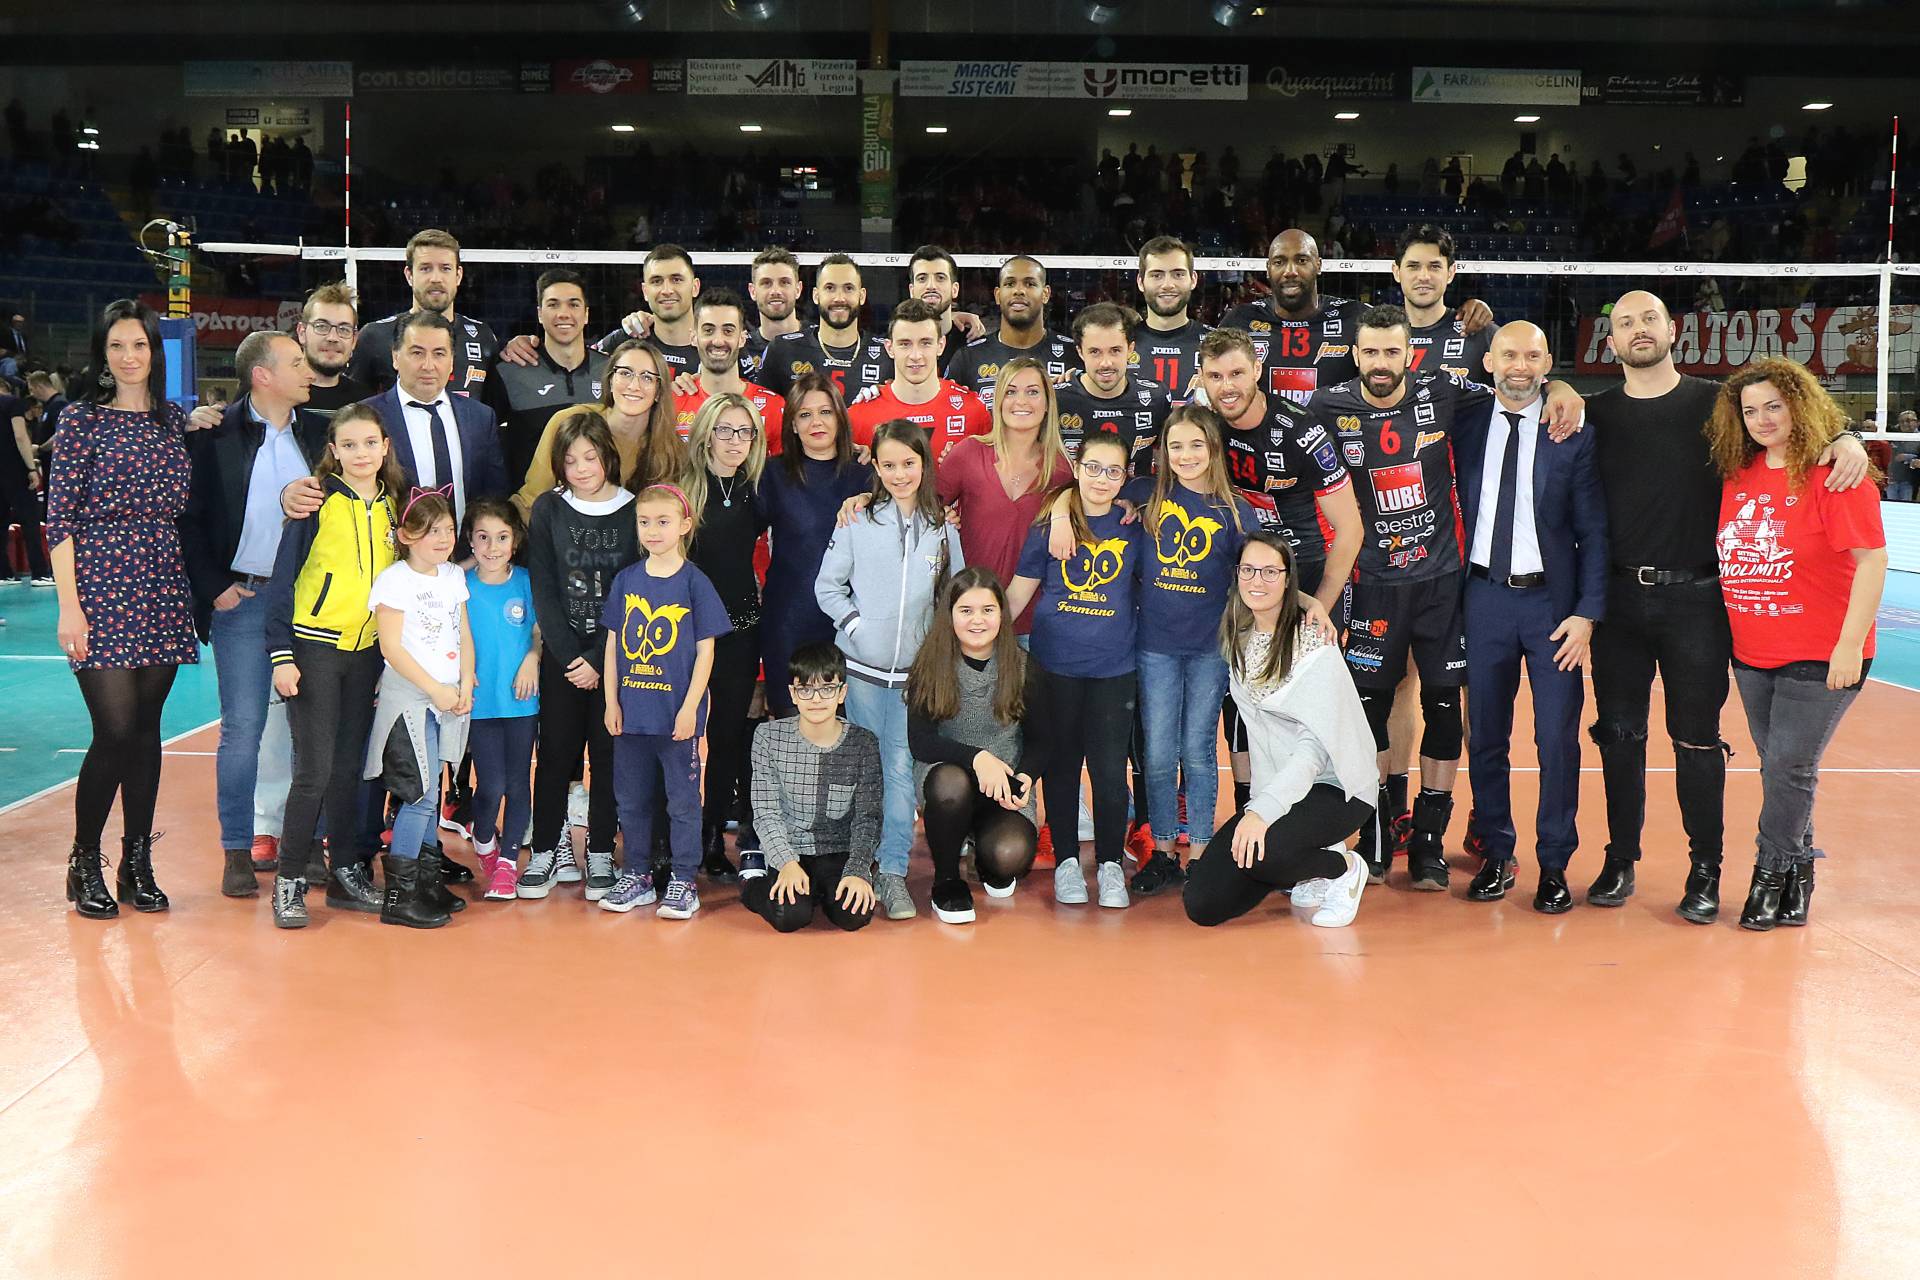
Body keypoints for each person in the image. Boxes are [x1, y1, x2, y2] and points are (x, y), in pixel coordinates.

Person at [1585, 292, 1869, 920]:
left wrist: (1846, 437)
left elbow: (1790, 418)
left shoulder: (1719, 404)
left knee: (1696, 739)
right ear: (1612, 341)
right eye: (1625, 323)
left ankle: (1705, 868)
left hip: (1698, 602)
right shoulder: (1593, 412)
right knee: (1620, 736)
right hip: (1619, 603)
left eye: (1648, 319)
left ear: (1671, 330)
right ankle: (1620, 857)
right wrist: (1555, 386)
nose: (1638, 330)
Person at [1315, 304, 1582, 888]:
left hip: (1441, 585)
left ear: (1409, 354)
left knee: (1443, 709)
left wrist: (1560, 386)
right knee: (1371, 713)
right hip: (1372, 586)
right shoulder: (1326, 406)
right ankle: (1377, 835)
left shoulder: (1444, 392)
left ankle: (1430, 841)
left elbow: (1519, 389)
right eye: (1370, 352)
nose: (1381, 363)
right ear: (1354, 354)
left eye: (1393, 351)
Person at [1707, 359, 1886, 930]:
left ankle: (1770, 874)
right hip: (1752, 652)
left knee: (1789, 764)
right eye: (1750, 410)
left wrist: (1849, 645)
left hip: (1822, 653)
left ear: (1799, 407)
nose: (1762, 419)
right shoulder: (1737, 474)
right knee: (1781, 768)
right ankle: (1800, 874)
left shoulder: (1836, 475)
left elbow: (1872, 561)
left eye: (1774, 406)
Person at [47, 300, 199, 920]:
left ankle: (137, 862)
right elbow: (58, 520)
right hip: (100, 586)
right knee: (112, 729)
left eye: (139, 344)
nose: (129, 356)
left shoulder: (172, 420)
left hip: (162, 583)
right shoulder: (80, 420)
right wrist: (69, 607)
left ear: (155, 352)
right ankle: (85, 859)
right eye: (117, 346)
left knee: (144, 731)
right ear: (102, 355)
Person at [1454, 323, 1609, 913]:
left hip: (1552, 608)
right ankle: (1496, 853)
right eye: (1510, 354)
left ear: (1548, 362)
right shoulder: (1464, 421)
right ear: (1489, 360)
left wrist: (1587, 614)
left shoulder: (1571, 430)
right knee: (1486, 736)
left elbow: (1594, 530)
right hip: (1482, 599)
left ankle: (1554, 864)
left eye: (1533, 355)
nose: (1520, 365)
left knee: (1557, 740)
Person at [177, 330, 328, 899]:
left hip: (305, 604)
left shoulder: (321, 433)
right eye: (296, 362)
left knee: (312, 728)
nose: (308, 370)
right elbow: (188, 519)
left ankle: (307, 843)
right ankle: (236, 850)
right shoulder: (213, 434)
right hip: (241, 601)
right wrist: (214, 586)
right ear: (262, 375)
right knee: (243, 729)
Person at [1183, 532, 1377, 928]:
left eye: (1271, 572)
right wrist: (1262, 805)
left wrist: (1262, 812)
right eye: (1249, 570)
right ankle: (1299, 861)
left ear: (1288, 579)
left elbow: (1312, 751)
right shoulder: (1239, 638)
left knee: (1267, 852)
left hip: (1336, 786)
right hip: (1281, 789)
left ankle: (1343, 868)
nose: (1258, 580)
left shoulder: (1314, 641)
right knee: (1203, 904)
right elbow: (1261, 737)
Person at [815, 420, 965, 921]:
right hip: (861, 672)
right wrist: (856, 627)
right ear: (876, 468)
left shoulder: (943, 529)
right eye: (889, 465)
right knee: (862, 768)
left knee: (900, 769)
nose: (900, 474)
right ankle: (856, 862)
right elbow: (827, 587)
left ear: (924, 464)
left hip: (912, 681)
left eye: (909, 463)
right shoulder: (856, 521)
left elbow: (954, 597)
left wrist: (935, 656)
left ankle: (893, 870)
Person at [261, 405, 404, 928]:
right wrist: (282, 655)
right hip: (314, 652)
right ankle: (289, 881)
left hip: (366, 655)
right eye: (349, 445)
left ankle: (345, 873)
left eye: (369, 443)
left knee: (349, 770)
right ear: (334, 451)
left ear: (384, 447)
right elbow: (282, 583)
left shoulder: (394, 508)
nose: (361, 453)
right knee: (314, 771)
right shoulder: (316, 504)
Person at [1118, 406, 1258, 896]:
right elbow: (1090, 499)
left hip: (1208, 650)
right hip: (1154, 647)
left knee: (1197, 751)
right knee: (1157, 752)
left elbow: (1259, 572)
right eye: (1175, 446)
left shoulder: (1235, 511)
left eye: (1196, 445)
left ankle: (1198, 853)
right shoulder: (1144, 494)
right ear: (1162, 451)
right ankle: (1161, 851)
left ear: (1214, 449)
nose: (1186, 455)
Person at [1006, 433, 1144, 910]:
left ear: (1125, 477)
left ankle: (1109, 864)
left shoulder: (1133, 526)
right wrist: (977, 641)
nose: (1102, 479)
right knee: (1061, 766)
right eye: (1093, 468)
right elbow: (1018, 594)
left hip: (1113, 670)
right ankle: (1067, 859)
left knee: (1108, 771)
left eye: (1113, 471)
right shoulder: (1049, 526)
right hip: (1054, 667)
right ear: (1078, 469)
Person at [598, 483, 731, 920]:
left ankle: (684, 879)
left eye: (662, 522)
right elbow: (613, 647)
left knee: (683, 801)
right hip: (631, 716)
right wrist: (611, 702)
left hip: (675, 718)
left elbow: (706, 652)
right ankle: (636, 874)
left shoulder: (695, 583)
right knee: (631, 800)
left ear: (684, 526)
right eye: (644, 522)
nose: (652, 531)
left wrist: (690, 707)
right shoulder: (626, 580)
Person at [521, 410, 638, 900]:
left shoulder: (634, 510)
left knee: (608, 755)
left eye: (590, 457)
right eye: (570, 461)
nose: (582, 469)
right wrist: (572, 657)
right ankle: (545, 849)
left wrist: (597, 657)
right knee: (554, 754)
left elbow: (632, 592)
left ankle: (601, 851)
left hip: (614, 658)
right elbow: (544, 586)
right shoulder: (549, 508)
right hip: (563, 658)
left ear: (607, 455)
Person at [907, 567, 1051, 924]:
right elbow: (921, 743)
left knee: (1009, 856)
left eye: (987, 610)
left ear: (1002, 614)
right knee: (950, 784)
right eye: (966, 610)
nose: (977, 620)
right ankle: (947, 881)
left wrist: (1025, 778)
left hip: (1001, 789)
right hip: (948, 781)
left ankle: (984, 853)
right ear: (950, 615)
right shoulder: (931, 664)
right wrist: (977, 758)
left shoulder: (1023, 665)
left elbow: (1041, 741)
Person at [364, 490, 474, 929]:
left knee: (433, 791)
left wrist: (465, 681)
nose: (444, 538)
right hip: (411, 698)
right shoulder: (395, 581)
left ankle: (427, 882)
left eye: (449, 529)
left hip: (447, 697)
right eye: (432, 531)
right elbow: (391, 647)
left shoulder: (452, 575)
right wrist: (434, 689)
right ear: (407, 536)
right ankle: (400, 896)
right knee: (419, 794)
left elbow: (463, 633)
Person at [677, 393, 770, 881]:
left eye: (745, 432)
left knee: (728, 735)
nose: (735, 440)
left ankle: (714, 834)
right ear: (707, 433)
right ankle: (676, 833)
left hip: (741, 628)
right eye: (726, 430)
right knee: (680, 734)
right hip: (685, 632)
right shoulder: (683, 488)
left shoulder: (758, 488)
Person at [740, 643, 881, 933]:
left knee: (854, 915)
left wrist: (858, 869)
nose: (816, 699)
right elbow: (766, 812)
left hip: (838, 851)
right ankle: (754, 886)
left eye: (827, 689)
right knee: (790, 916)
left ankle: (822, 892)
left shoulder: (863, 743)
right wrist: (786, 862)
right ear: (793, 693)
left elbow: (868, 817)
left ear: (842, 692)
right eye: (805, 689)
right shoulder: (768, 737)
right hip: (791, 848)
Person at [758, 374, 872, 717]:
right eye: (805, 415)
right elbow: (735, 536)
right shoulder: (772, 475)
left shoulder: (866, 475)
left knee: (847, 733)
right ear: (792, 424)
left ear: (840, 417)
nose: (816, 422)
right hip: (788, 622)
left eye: (825, 412)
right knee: (791, 733)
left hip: (849, 626)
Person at [463, 498, 540, 903]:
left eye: (502, 538)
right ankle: (482, 836)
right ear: (470, 541)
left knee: (517, 783)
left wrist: (532, 658)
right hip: (479, 702)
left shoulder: (526, 581)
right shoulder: (459, 585)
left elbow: (540, 631)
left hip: (521, 701)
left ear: (516, 541)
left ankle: (509, 862)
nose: (493, 547)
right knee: (490, 784)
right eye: (483, 538)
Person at [514, 339, 684, 513]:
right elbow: (530, 500)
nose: (634, 386)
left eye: (647, 377)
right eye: (625, 373)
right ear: (610, 381)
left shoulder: (670, 448)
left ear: (659, 391)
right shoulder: (569, 422)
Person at [487, 268, 609, 486]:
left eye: (573, 304)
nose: (563, 313)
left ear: (586, 314)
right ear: (540, 314)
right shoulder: (510, 372)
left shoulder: (611, 372)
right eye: (553, 304)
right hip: (531, 503)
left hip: (596, 502)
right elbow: (487, 445)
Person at [345, 229, 499, 398]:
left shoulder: (483, 336)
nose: (436, 278)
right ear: (409, 275)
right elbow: (353, 406)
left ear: (458, 275)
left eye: (445, 268)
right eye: (425, 268)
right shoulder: (374, 337)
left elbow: (494, 409)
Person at [846, 299, 990, 459]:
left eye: (925, 343)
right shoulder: (858, 417)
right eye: (905, 344)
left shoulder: (974, 411)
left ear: (941, 345)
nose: (915, 355)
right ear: (889, 348)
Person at [945, 256, 1078, 411]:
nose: (1019, 291)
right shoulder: (968, 358)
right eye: (1010, 284)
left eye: (1030, 284)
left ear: (1045, 294)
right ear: (997, 295)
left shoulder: (1074, 354)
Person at [757, 253, 892, 402]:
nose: (839, 298)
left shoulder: (887, 354)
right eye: (829, 288)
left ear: (862, 296)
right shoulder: (782, 350)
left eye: (848, 288)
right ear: (816, 295)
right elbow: (763, 409)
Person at [1052, 301, 1171, 470]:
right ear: (1080, 352)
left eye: (1115, 350)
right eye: (1095, 352)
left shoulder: (1157, 398)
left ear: (1130, 349)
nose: (1106, 363)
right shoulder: (1055, 399)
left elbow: (1168, 459)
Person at [671, 289, 785, 445]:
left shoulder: (773, 407)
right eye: (708, 331)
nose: (718, 341)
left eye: (728, 331)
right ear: (693, 337)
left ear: (742, 338)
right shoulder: (671, 402)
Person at [1393, 226, 1494, 381]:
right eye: (1413, 266)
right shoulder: (1375, 335)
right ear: (1397, 272)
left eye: (1435, 267)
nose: (1424, 276)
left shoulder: (1479, 331)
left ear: (1451, 273)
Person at [1133, 236, 1208, 403]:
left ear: (1193, 280)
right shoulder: (1118, 344)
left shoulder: (1216, 344)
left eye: (1178, 274)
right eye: (1156, 275)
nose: (1167, 284)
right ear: (1140, 282)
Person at [295, 281, 372, 416]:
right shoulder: (279, 395)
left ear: (354, 340)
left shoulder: (367, 403)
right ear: (302, 332)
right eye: (322, 326)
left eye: (344, 329)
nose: (332, 337)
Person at [0, 375, 49, 582]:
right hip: (14, 470)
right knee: (30, 520)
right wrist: (31, 468)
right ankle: (39, 572)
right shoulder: (12, 403)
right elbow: (20, 436)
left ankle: (3, 573)